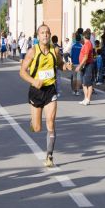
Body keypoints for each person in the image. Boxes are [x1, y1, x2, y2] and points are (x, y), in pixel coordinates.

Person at [20, 24, 71, 167]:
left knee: (51, 122)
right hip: (36, 91)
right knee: (37, 128)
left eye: (47, 32)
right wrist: (33, 81)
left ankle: (49, 156)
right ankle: (33, 122)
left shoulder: (55, 50)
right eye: (42, 33)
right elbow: (22, 72)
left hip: (50, 90)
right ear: (38, 36)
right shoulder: (32, 52)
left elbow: (60, 64)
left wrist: (65, 67)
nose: (45, 35)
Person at [76, 29, 94, 105]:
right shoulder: (86, 44)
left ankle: (88, 99)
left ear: (84, 36)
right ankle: (85, 98)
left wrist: (79, 66)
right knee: (84, 83)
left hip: (87, 65)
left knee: (88, 83)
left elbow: (86, 57)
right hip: (84, 65)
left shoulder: (87, 44)